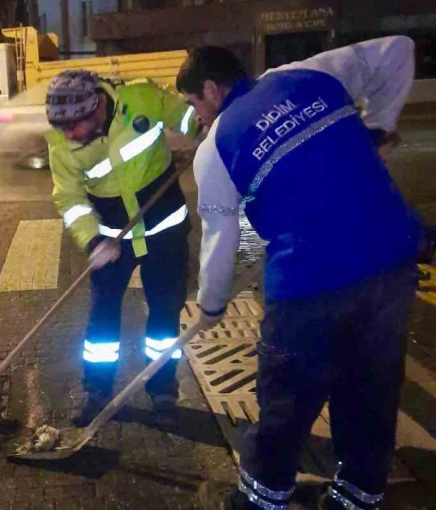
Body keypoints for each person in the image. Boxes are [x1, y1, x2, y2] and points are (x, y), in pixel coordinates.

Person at [175, 37, 422, 510]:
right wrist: (380, 128)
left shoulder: (216, 147)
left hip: (311, 284)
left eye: (194, 105)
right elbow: (398, 49)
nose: (198, 118)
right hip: (389, 261)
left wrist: (210, 304)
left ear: (210, 88)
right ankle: (356, 499)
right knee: (370, 388)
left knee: (286, 399)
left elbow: (219, 239)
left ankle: (260, 501)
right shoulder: (309, 73)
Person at [45, 70, 198, 425]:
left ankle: (162, 391)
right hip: (112, 237)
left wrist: (203, 130)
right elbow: (68, 198)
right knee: (102, 317)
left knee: (164, 312)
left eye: (74, 126)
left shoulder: (141, 98)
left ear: (97, 106)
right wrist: (92, 239)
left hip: (165, 231)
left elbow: (188, 116)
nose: (67, 135)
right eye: (61, 127)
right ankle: (96, 391)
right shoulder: (61, 142)